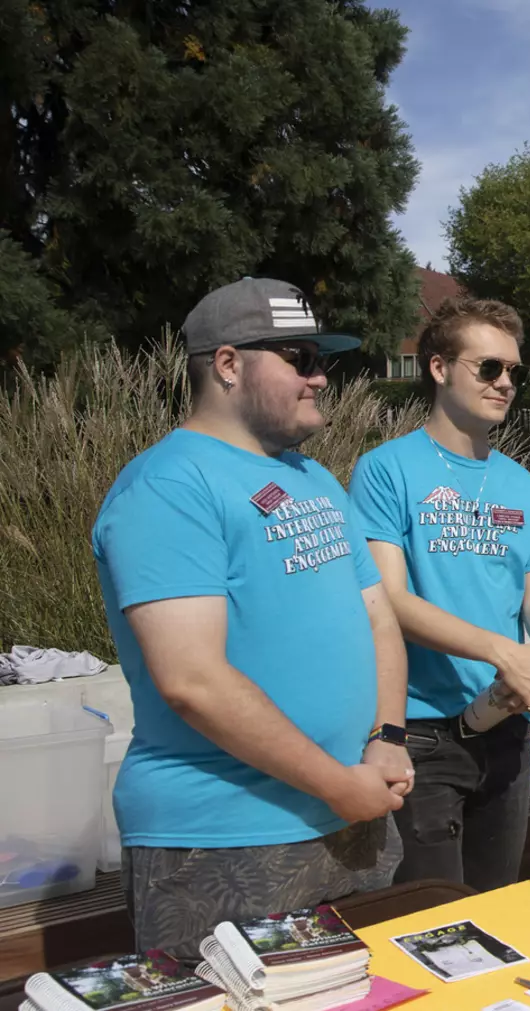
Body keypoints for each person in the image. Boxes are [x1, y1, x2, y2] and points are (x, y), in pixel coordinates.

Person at [91, 278, 409, 958]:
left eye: (324, 359)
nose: (321, 376)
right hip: (223, 838)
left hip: (353, 815)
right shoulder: (168, 486)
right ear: (229, 364)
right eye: (300, 357)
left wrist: (386, 736)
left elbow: (379, 618)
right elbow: (192, 680)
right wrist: (339, 784)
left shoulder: (315, 478)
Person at [348, 296, 530, 892]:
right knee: (433, 921)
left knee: (497, 908)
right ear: (440, 368)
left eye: (514, 372)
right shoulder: (385, 468)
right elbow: (388, 597)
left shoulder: (521, 483)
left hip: (506, 725)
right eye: (489, 368)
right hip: (420, 732)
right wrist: (503, 651)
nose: (505, 384)